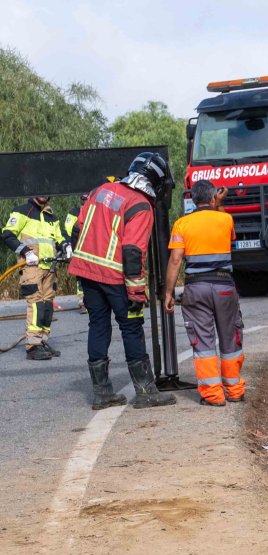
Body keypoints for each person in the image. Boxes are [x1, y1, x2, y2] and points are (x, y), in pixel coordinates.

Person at [68, 152, 176, 410]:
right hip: (116, 276)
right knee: (131, 328)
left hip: (87, 272)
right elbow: (132, 252)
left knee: (98, 325)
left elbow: (77, 229)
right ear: (154, 181)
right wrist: (137, 294)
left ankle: (102, 393)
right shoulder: (140, 204)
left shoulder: (100, 191)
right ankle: (146, 392)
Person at [163, 180, 245, 406]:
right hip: (225, 288)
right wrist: (219, 204)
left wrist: (168, 292)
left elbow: (176, 259)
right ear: (212, 199)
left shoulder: (181, 224)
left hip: (196, 289)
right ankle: (235, 390)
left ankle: (213, 395)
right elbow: (227, 234)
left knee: (203, 342)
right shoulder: (226, 218)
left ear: (191, 200)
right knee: (230, 338)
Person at [2, 196, 68, 360]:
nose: (42, 194)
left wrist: (66, 246)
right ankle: (32, 346)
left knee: (47, 306)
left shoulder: (51, 216)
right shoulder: (22, 211)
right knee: (36, 304)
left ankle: (42, 341)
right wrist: (26, 252)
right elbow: (8, 235)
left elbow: (58, 238)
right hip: (31, 267)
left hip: (50, 269)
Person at [62, 195, 89, 314]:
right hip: (79, 248)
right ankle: (82, 301)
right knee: (81, 276)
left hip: (94, 249)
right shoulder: (74, 212)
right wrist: (69, 246)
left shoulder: (98, 210)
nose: (86, 201)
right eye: (84, 199)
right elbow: (67, 230)